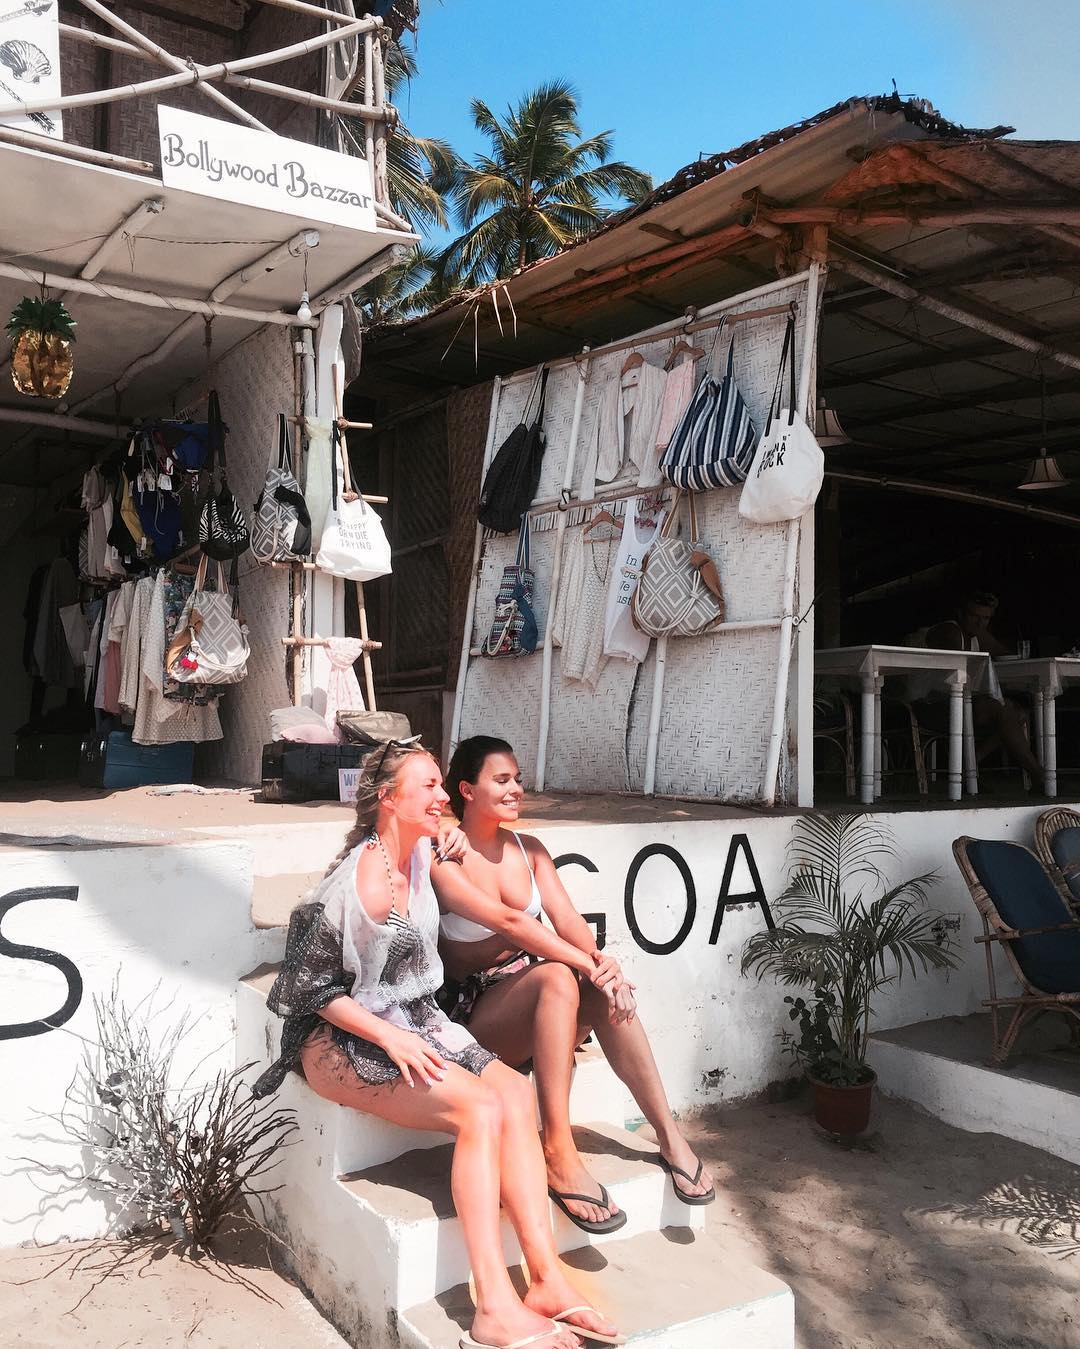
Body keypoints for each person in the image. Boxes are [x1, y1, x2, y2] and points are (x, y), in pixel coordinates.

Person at [253, 740, 622, 1349]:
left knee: (514, 1092)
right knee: (479, 1109)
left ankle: (547, 1280)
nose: (443, 796)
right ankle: (493, 1306)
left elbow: (490, 894)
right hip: (341, 1038)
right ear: (387, 798)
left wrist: (444, 832)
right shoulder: (358, 882)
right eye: (428, 786)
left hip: (416, 1019)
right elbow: (307, 988)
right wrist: (388, 1037)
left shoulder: (423, 852)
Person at [432, 736, 715, 1237]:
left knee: (595, 986)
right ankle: (558, 1151)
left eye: (518, 779)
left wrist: (603, 966)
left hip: (537, 998)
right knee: (560, 975)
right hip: (474, 1017)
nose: (516, 789)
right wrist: (585, 963)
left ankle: (670, 1136)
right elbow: (512, 924)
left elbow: (568, 921)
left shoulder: (530, 850)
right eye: (502, 780)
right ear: (467, 790)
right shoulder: (443, 854)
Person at [917, 590, 1044, 790]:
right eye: (974, 616)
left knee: (1018, 713)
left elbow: (1005, 653)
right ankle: (1039, 776)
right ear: (960, 614)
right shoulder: (950, 631)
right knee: (1004, 710)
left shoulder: (976, 634)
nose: (979, 623)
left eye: (985, 618)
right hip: (931, 707)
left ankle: (970, 763)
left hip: (961, 704)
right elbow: (959, 666)